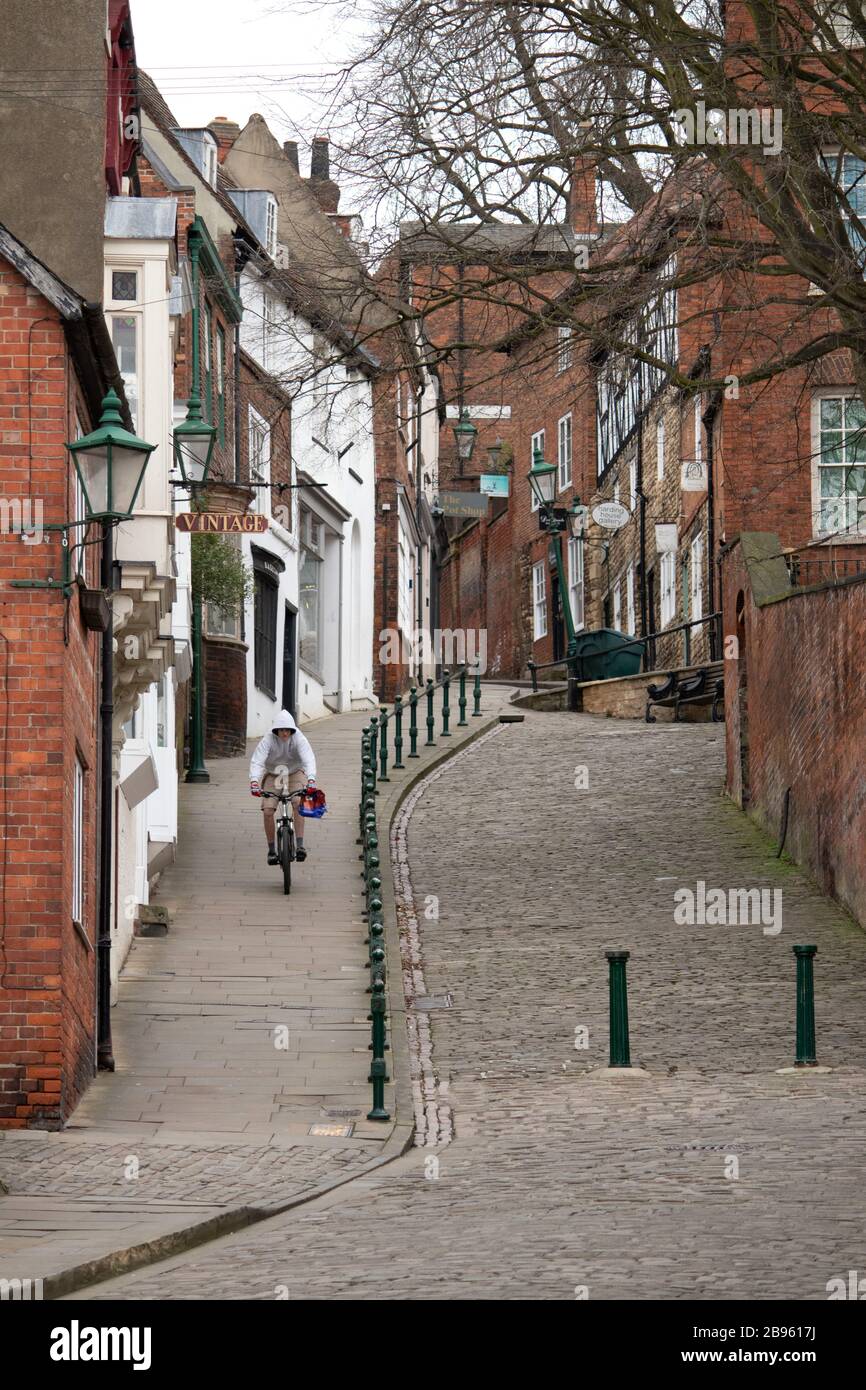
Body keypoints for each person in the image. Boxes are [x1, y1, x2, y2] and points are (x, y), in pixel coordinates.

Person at [249, 711, 317, 865]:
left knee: (298, 802)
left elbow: (308, 757)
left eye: (288, 730)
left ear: (292, 730)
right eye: (281, 730)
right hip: (274, 774)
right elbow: (258, 760)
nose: (285, 733)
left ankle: (300, 845)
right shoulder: (268, 739)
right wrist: (254, 780)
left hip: (294, 772)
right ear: (276, 730)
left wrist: (311, 779)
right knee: (267, 810)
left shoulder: (298, 738)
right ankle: (272, 850)